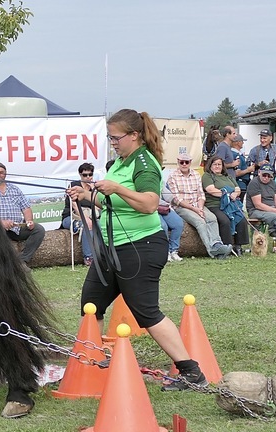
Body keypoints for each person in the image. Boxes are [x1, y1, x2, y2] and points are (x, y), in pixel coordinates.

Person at [65, 108, 207, 391]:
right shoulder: (121, 161)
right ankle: (90, 364)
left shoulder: (144, 163)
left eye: (116, 137)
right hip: (112, 249)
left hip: (140, 247)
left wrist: (117, 189)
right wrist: (86, 196)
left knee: (146, 313)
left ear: (134, 135)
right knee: (91, 305)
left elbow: (149, 203)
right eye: (110, 138)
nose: (112, 142)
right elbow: (113, 204)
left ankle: (192, 373)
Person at [166, 152, 232, 258]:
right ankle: (211, 250)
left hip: (198, 204)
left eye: (186, 162)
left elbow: (201, 194)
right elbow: (177, 199)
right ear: (178, 162)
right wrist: (195, 209)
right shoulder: (172, 177)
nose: (184, 164)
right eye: (181, 162)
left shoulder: (196, 175)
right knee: (200, 222)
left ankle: (217, 244)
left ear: (190, 163)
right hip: (182, 207)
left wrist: (200, 208)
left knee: (212, 218)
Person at [0, 162, 45, 264]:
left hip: (17, 227)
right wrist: (1, 223)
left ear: (5, 174)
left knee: (38, 229)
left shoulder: (15, 189)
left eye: (1, 172)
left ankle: (22, 261)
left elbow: (26, 208)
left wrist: (29, 221)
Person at [201, 156, 248, 256]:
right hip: (215, 204)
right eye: (215, 164)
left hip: (230, 204)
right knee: (224, 220)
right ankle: (227, 246)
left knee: (241, 218)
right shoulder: (207, 176)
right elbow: (211, 190)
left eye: (219, 164)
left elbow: (237, 189)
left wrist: (234, 194)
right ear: (210, 165)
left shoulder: (228, 176)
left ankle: (239, 246)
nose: (217, 166)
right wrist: (226, 194)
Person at [60, 162, 96, 266]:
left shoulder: (94, 188)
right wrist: (85, 219)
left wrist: (93, 190)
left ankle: (102, 254)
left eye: (90, 174)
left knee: (99, 224)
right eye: (85, 175)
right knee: (87, 225)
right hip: (71, 216)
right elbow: (74, 205)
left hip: (91, 215)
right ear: (80, 175)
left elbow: (98, 206)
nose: (88, 177)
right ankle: (88, 257)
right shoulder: (74, 185)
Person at [159, 167, 185, 262]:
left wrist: (175, 200)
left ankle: (174, 251)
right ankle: (165, 252)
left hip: (164, 208)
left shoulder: (159, 180)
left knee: (178, 223)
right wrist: (165, 203)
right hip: (151, 209)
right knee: (163, 226)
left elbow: (166, 193)